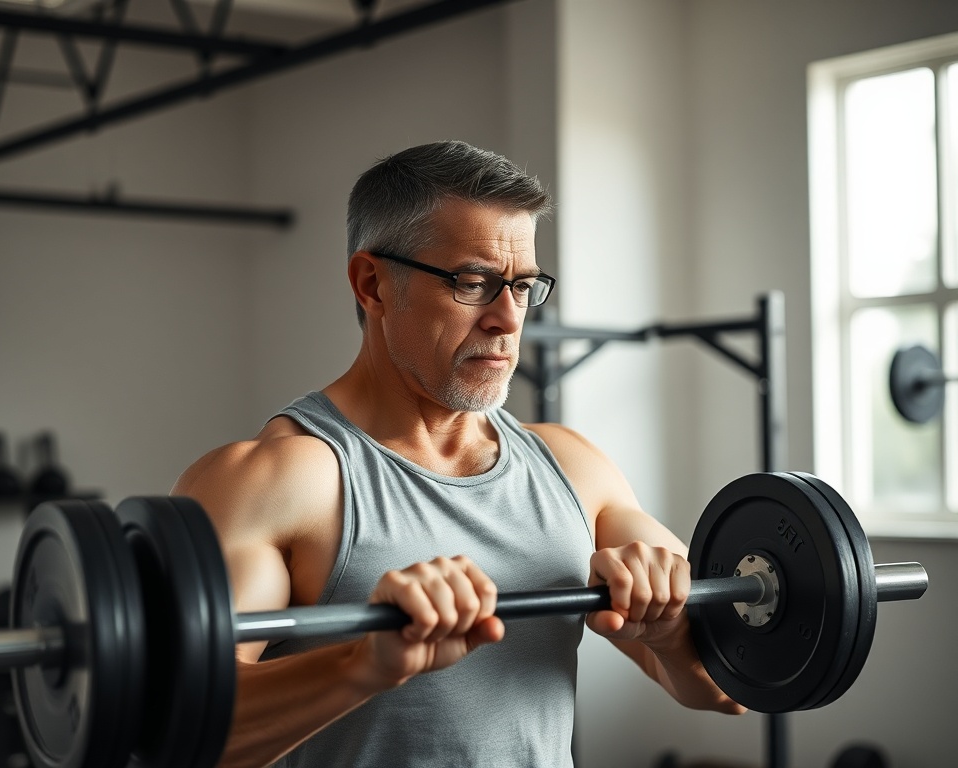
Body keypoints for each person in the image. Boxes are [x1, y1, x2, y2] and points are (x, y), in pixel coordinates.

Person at [172, 140, 745, 768]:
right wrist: (363, 663)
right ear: (372, 284)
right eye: (473, 284)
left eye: (522, 287)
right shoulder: (278, 482)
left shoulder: (572, 469)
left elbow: (733, 685)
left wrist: (670, 634)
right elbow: (180, 731)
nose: (508, 319)